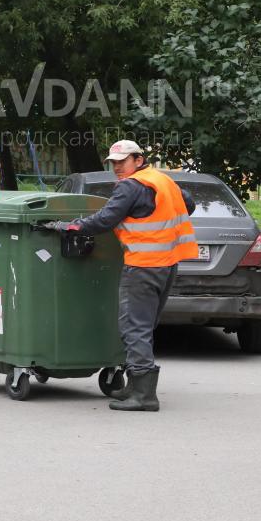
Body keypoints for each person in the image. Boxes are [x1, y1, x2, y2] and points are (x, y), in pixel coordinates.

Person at [42, 139, 196, 412]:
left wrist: (71, 226)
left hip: (143, 266)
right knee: (144, 327)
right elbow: (189, 205)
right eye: (113, 163)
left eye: (122, 162)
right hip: (167, 265)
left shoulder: (131, 186)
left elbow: (104, 220)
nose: (117, 168)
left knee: (134, 327)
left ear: (138, 160)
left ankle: (145, 396)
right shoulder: (162, 180)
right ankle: (135, 386)